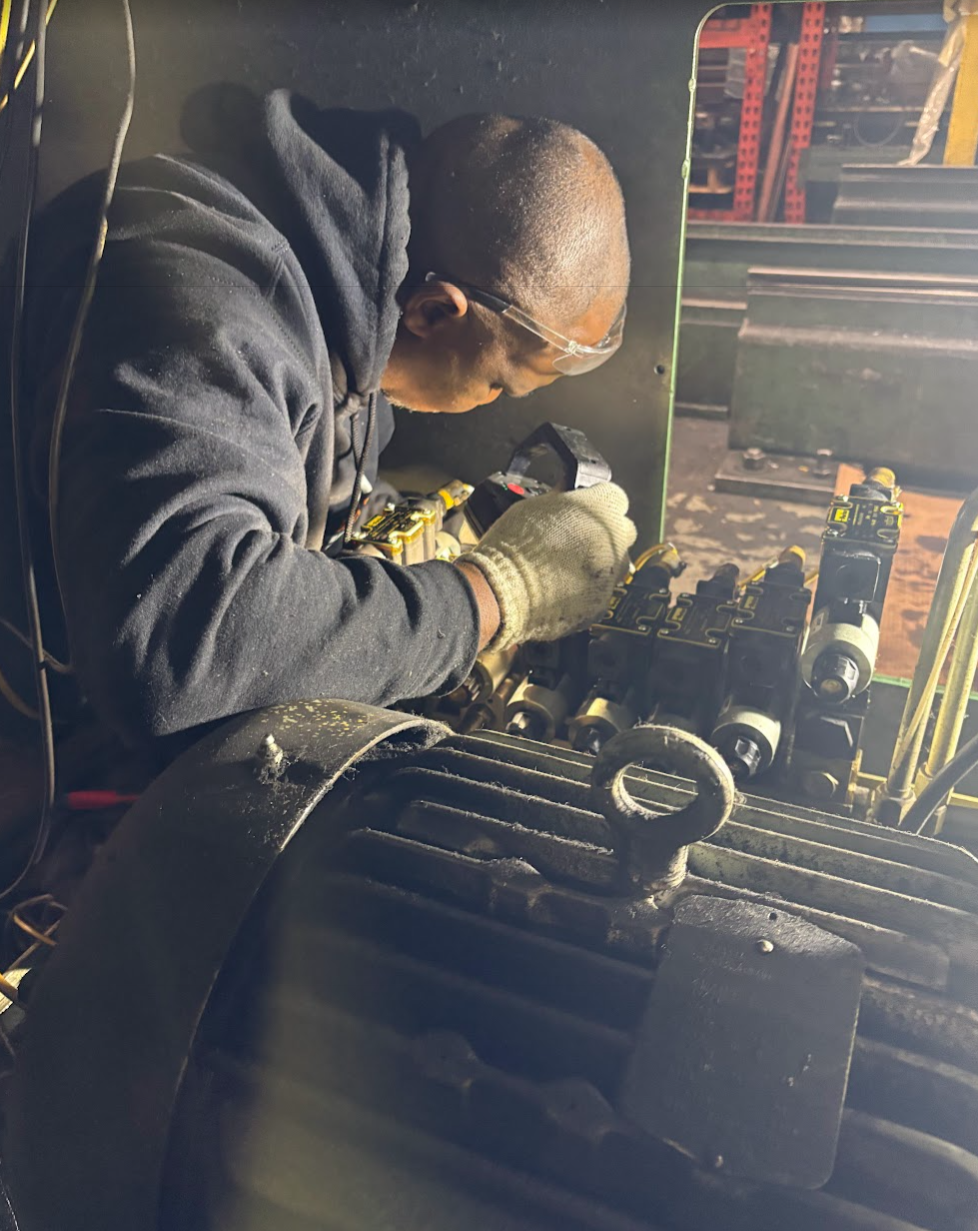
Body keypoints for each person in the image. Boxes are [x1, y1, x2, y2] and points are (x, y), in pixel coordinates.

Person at [0, 89, 635, 755]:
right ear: (433, 312)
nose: (490, 402)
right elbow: (177, 643)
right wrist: (496, 593)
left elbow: (304, 492)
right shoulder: (200, 309)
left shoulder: (346, 294)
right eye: (498, 383)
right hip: (32, 744)